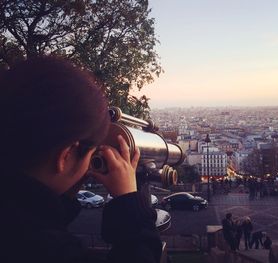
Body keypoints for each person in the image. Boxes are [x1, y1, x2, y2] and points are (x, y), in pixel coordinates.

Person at [0, 56, 162, 263]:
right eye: (90, 154)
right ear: (66, 155)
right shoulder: (45, 249)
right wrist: (129, 204)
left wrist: (67, 190)